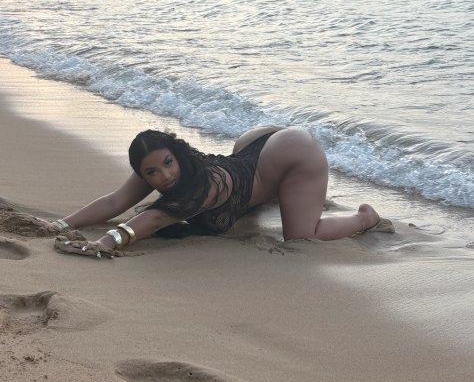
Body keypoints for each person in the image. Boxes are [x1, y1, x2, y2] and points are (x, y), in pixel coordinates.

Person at [51, 126, 391, 259]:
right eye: (151, 172)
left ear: (177, 155)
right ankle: (285, 194)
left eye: (168, 163)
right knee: (259, 192)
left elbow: (155, 218)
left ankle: (365, 217)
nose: (164, 176)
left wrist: (106, 242)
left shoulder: (205, 185)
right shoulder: (159, 173)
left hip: (292, 151)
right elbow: (115, 201)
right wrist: (60, 224)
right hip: (254, 149)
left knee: (301, 236)